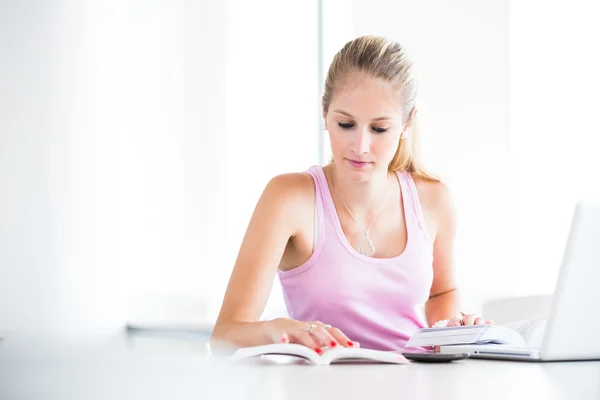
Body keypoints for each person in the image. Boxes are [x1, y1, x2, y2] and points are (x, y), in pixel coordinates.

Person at [210, 35, 493, 354]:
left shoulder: (434, 199)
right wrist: (280, 330)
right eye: (345, 124)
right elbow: (225, 334)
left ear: (407, 122)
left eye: (379, 129)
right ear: (324, 112)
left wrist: (450, 330)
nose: (360, 146)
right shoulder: (288, 198)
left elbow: (443, 292)